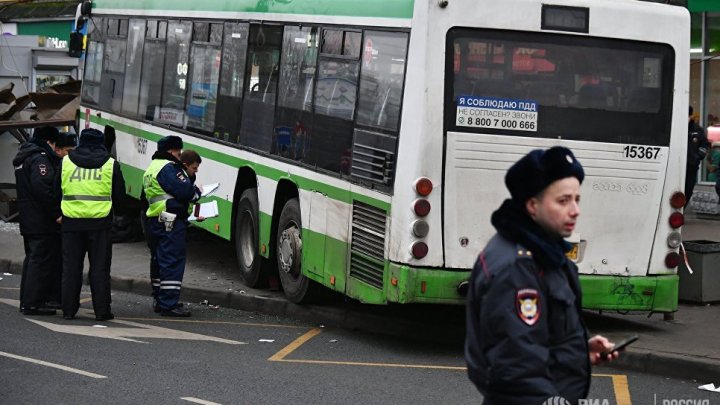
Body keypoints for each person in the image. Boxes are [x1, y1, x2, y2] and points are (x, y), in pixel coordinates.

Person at [465, 146, 619, 405]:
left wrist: (582, 350)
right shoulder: (517, 267)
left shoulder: (546, 253)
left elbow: (542, 337)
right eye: (563, 201)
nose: (575, 210)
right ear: (533, 205)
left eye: (577, 199)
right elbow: (517, 370)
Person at [56, 128, 126, 321]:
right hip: (100, 223)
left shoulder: (66, 162)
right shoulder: (111, 164)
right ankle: (102, 311)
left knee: (71, 268)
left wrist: (58, 213)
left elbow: (56, 190)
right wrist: (118, 215)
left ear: (81, 142)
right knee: (99, 269)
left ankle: (68, 310)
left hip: (71, 222)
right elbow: (120, 196)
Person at [143, 136, 201, 317]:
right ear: (171, 151)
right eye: (178, 152)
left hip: (155, 219)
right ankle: (169, 303)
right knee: (172, 260)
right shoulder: (168, 168)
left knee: (158, 260)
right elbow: (185, 191)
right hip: (171, 221)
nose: (180, 156)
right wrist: (196, 192)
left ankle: (160, 299)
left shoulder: (151, 169)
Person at [13, 126, 63, 315]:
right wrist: (56, 213)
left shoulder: (24, 156)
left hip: (28, 218)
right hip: (40, 220)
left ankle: (28, 300)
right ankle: (35, 302)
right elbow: (42, 188)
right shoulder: (40, 158)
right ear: (49, 141)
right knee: (40, 261)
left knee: (32, 259)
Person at [686, 106, 709, 207]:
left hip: (691, 167)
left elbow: (704, 145)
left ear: (690, 116)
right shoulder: (674, 127)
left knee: (688, 190)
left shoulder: (697, 130)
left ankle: (681, 211)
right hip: (675, 166)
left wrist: (697, 156)